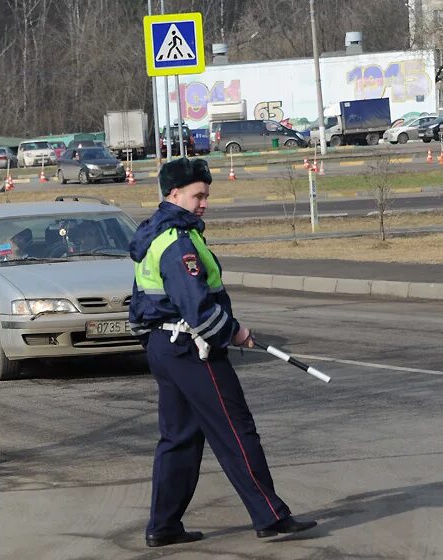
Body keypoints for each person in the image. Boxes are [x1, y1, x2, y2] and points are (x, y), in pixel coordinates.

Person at [128, 157, 317, 548]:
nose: (204, 203)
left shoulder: (157, 233)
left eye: (207, 195)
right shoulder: (178, 242)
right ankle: (270, 515)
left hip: (167, 347)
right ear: (174, 194)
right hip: (191, 347)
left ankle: (163, 526)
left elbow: (140, 304)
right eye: (198, 195)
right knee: (235, 430)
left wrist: (155, 343)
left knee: (179, 437)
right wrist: (234, 333)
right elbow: (197, 307)